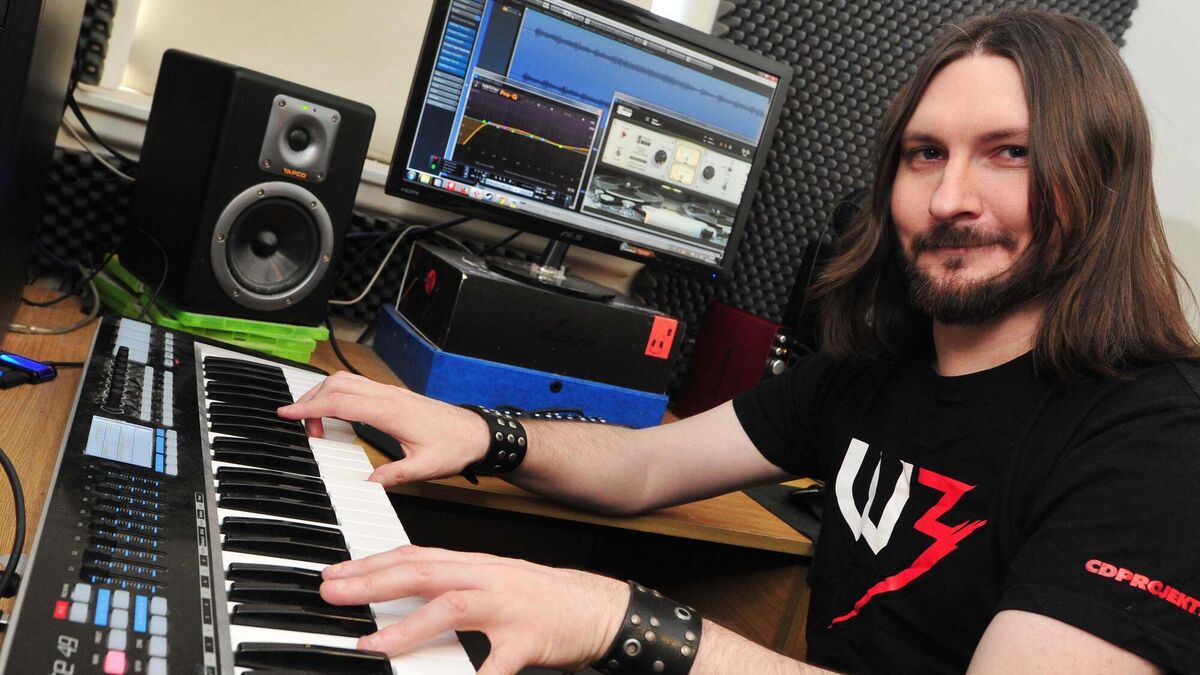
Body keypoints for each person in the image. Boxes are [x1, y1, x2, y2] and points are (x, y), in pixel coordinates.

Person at [278, 9, 1200, 674]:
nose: (951, 198)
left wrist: (624, 619)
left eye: (1011, 152)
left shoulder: (1158, 441)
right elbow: (646, 466)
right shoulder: (877, 371)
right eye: (926, 154)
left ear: (1100, 179)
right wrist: (485, 432)